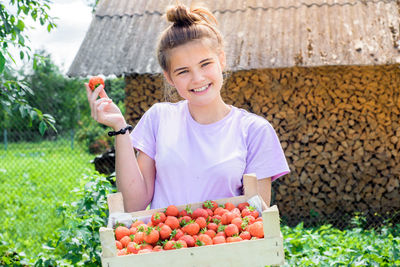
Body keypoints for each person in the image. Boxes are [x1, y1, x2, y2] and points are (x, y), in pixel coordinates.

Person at [86, 3, 290, 212]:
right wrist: (120, 128)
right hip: (163, 243)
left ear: (221, 60)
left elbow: (256, 219)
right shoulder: (159, 118)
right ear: (169, 77)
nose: (197, 78)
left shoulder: (255, 131)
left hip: (225, 243)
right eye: (183, 71)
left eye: (205, 64)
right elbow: (133, 205)